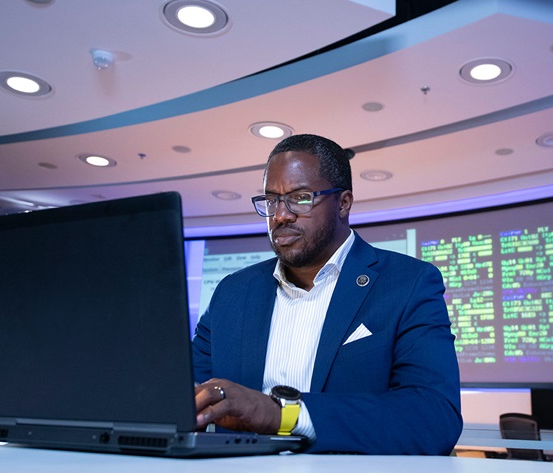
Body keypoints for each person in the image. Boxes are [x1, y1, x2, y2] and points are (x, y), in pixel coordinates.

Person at [191, 134, 463, 455]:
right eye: (271, 200)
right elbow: (185, 393)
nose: (280, 215)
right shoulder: (231, 293)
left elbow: (434, 417)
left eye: (300, 198)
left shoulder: (409, 283)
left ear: (344, 203)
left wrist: (283, 415)